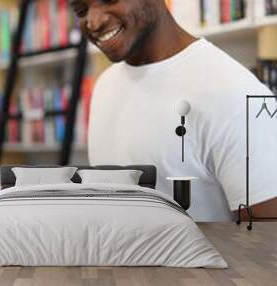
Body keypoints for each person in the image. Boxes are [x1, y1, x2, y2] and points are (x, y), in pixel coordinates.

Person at [70, 0, 277, 221]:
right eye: (81, 11)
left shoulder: (235, 93)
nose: (93, 22)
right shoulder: (104, 86)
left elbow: (266, 245)